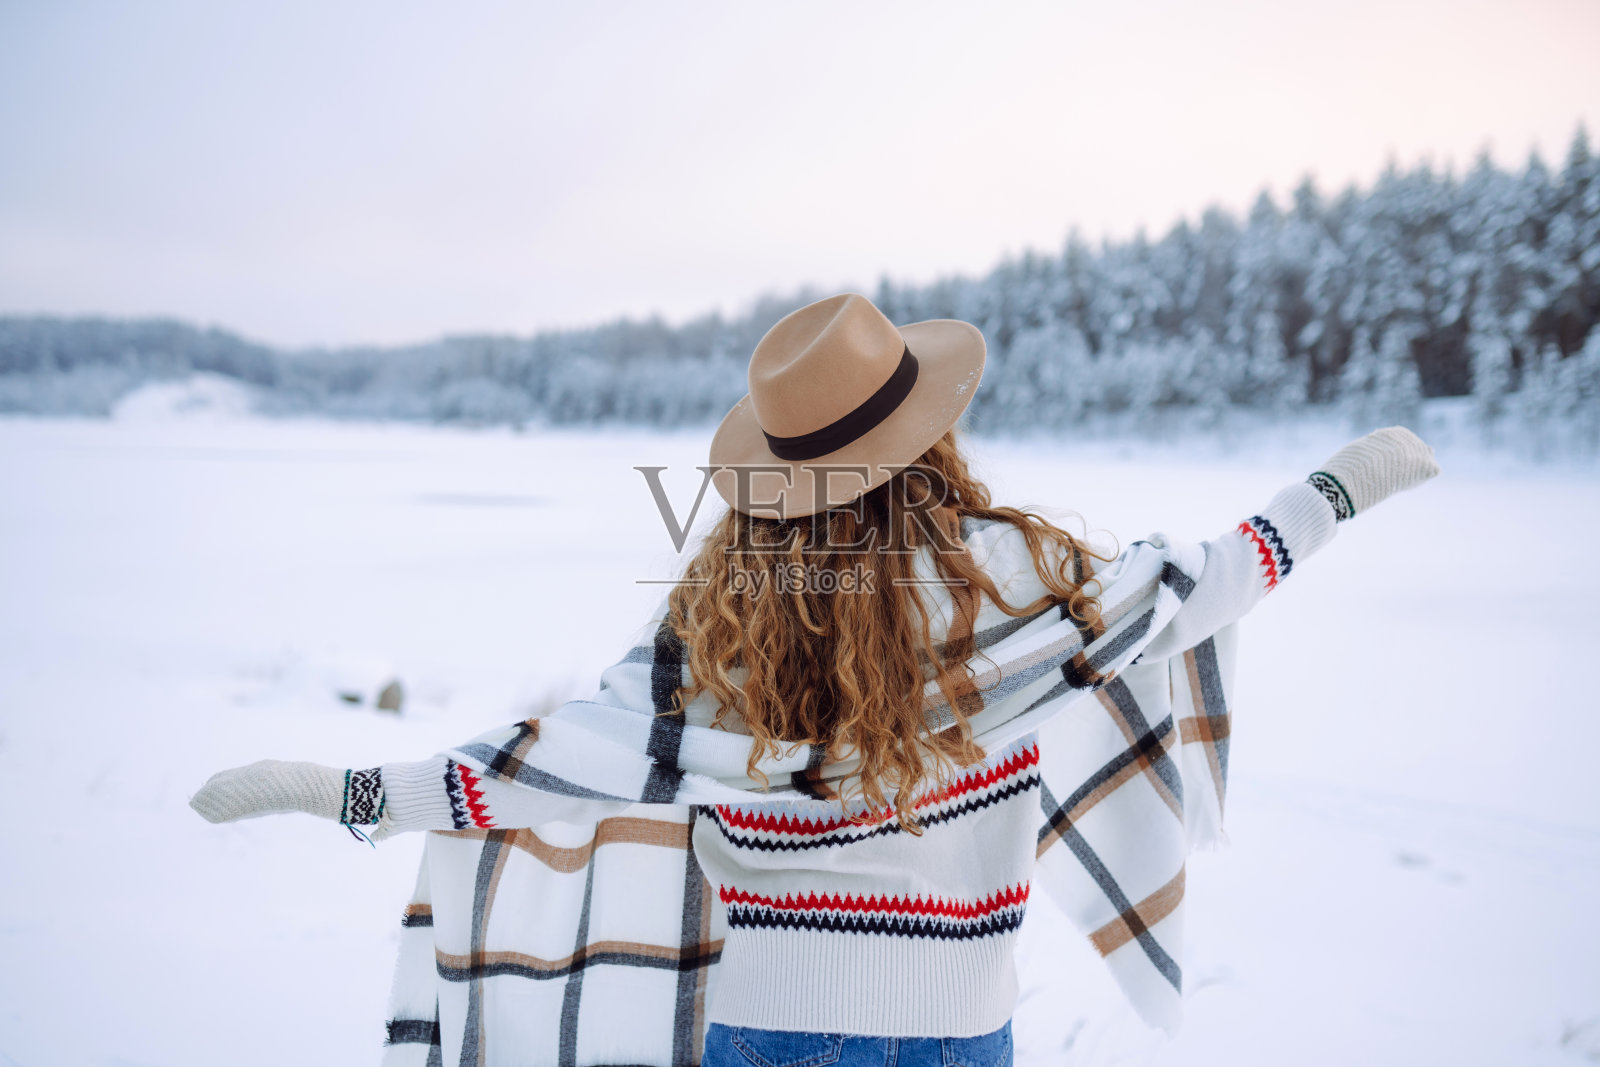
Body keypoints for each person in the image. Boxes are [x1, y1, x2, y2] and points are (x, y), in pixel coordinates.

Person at [190, 292, 1439, 1067]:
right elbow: (1206, 578)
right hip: (960, 1029)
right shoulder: (1020, 584)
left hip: (767, 1028)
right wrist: (1338, 486)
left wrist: (349, 791)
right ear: (929, 434)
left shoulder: (720, 629)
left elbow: (535, 764)